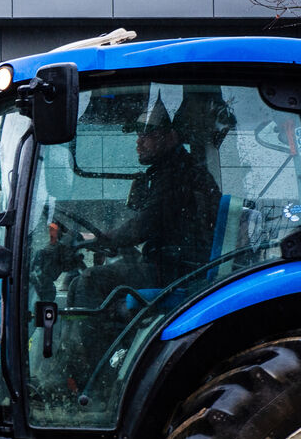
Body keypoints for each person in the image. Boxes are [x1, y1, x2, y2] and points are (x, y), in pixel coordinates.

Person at [77, 99, 221, 307]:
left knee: (90, 280)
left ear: (171, 135)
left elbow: (144, 225)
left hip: (175, 270)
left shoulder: (177, 174)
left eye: (147, 135)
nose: (139, 142)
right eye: (138, 134)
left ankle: (97, 328)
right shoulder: (172, 169)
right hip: (172, 263)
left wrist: (102, 238)